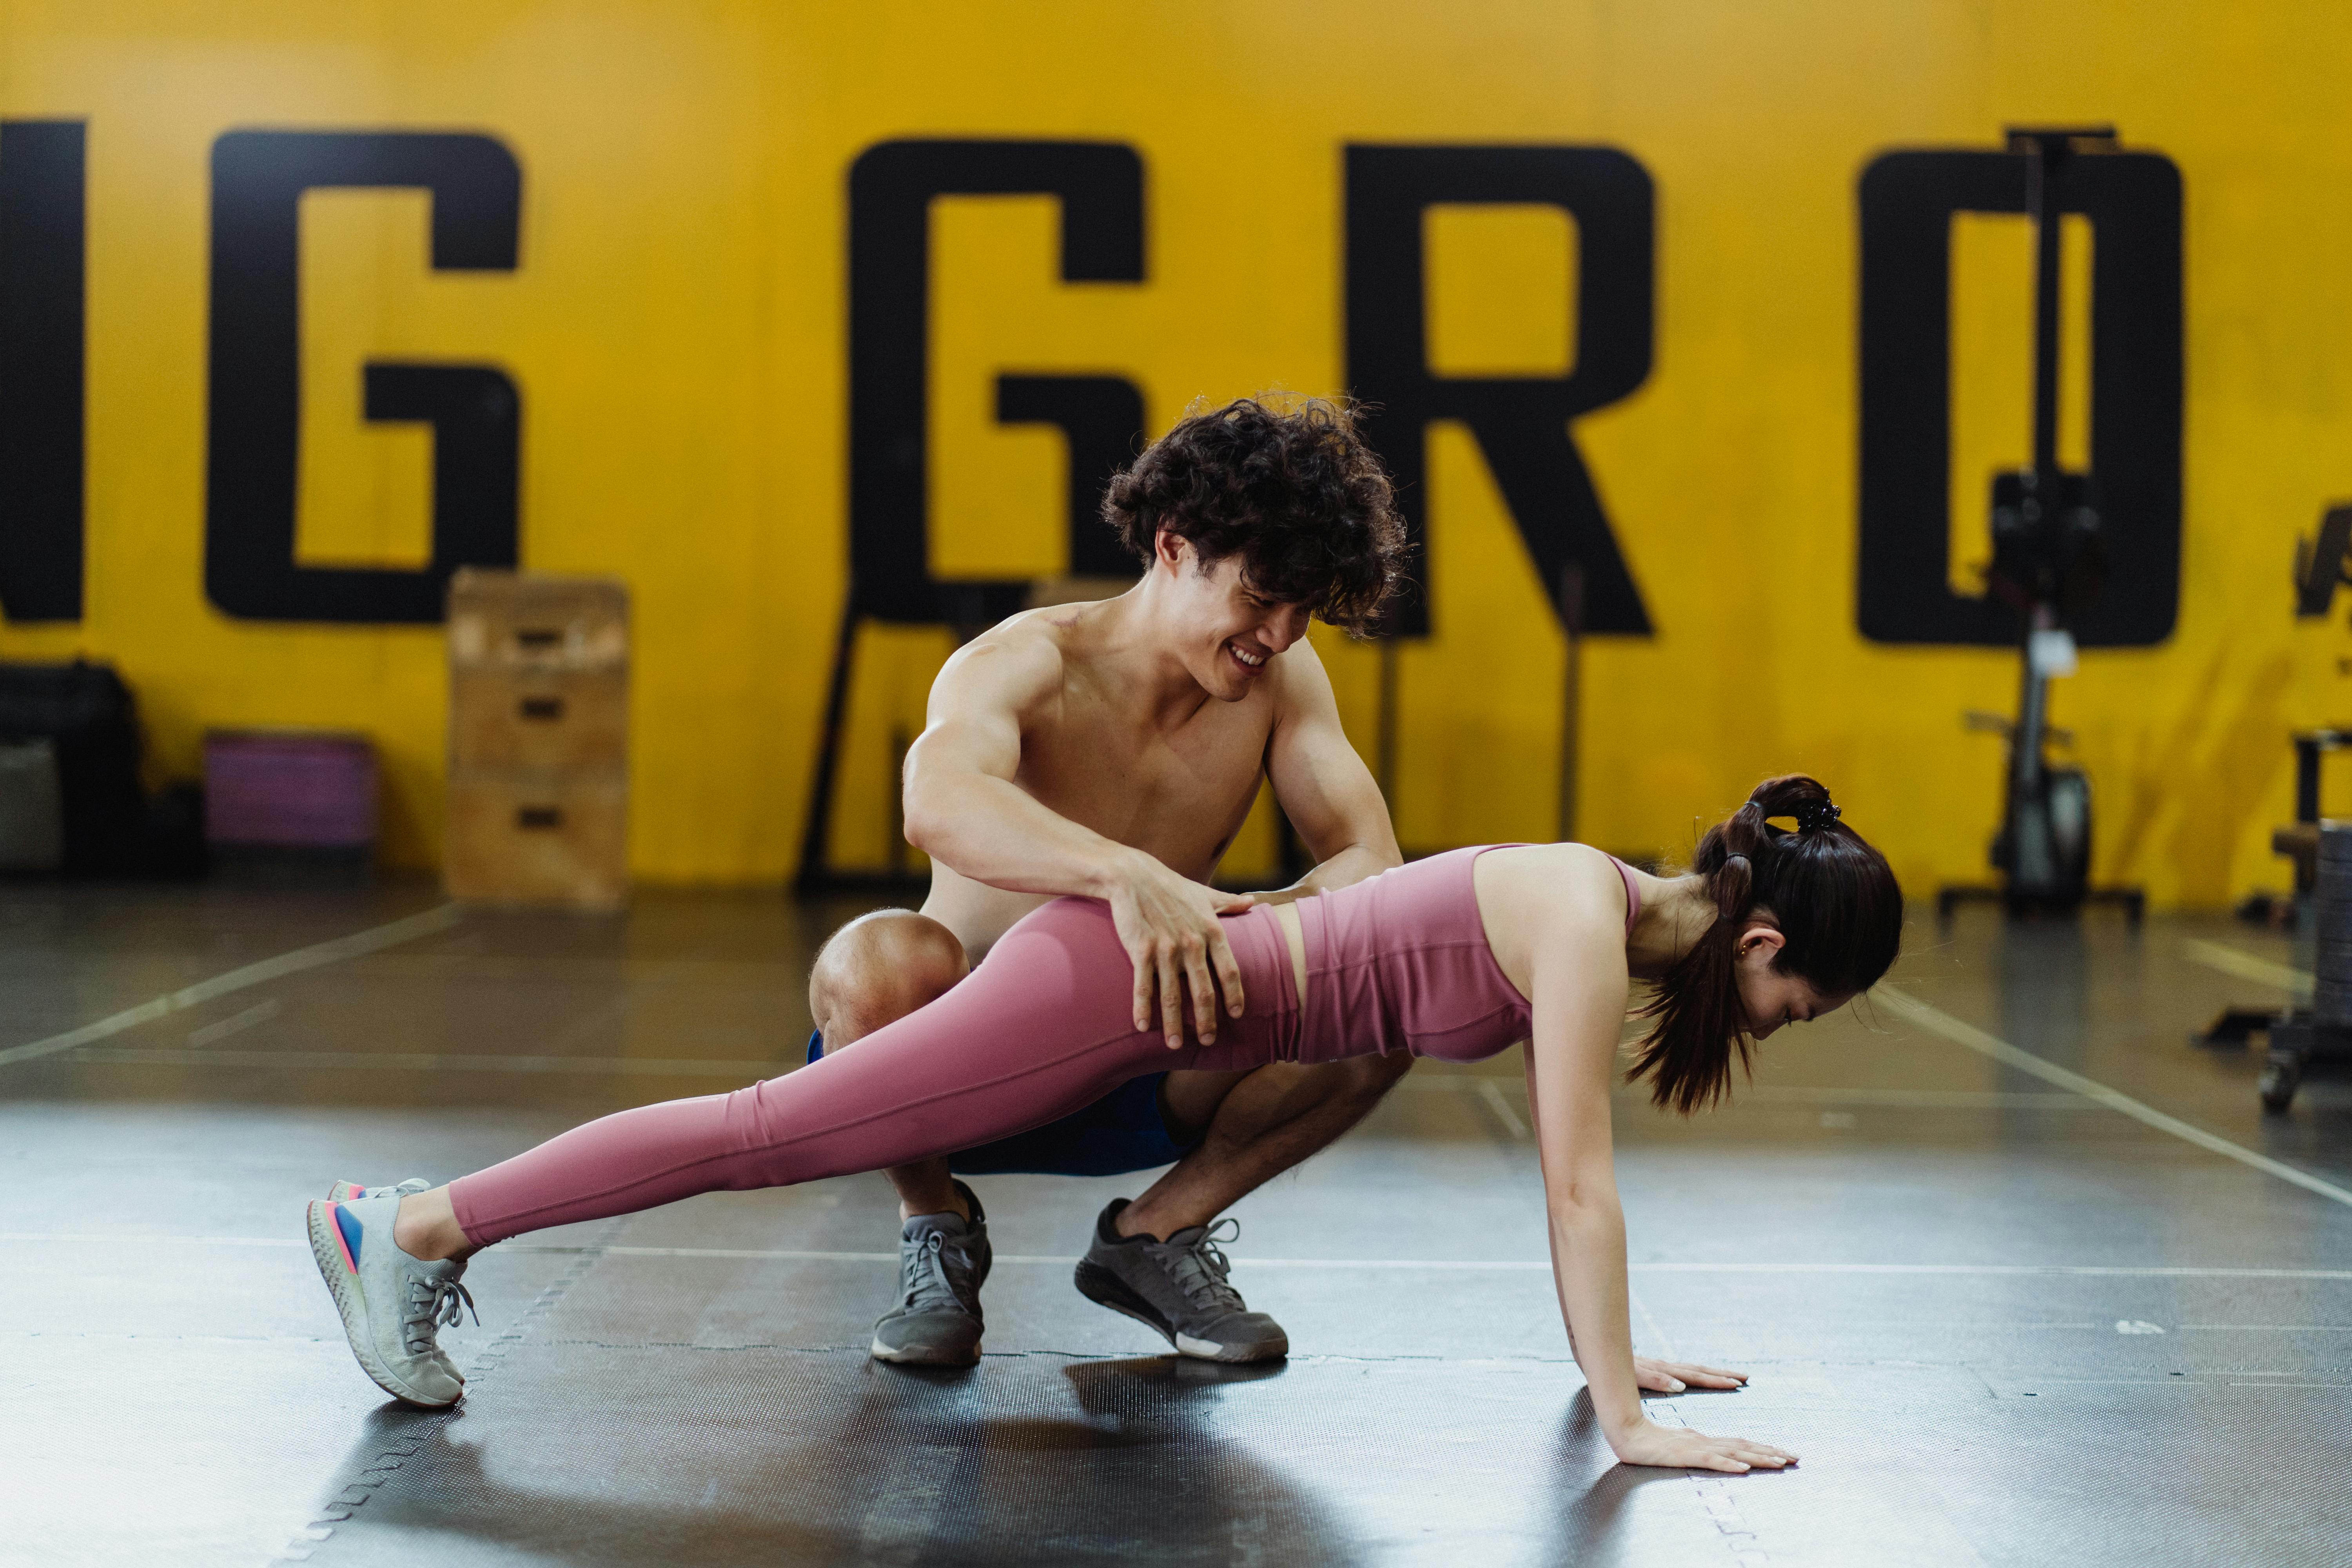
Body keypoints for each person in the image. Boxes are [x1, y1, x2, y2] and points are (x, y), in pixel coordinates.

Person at [309, 773, 1903, 1473]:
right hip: (1108, 995)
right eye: (1798, 1011)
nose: (1776, 1035)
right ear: (1763, 948)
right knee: (768, 1131)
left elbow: (1541, 1163)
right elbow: (1575, 1185)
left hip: (1157, 1009)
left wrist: (1627, 1358)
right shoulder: (1573, 904)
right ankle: (416, 1224)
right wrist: (1624, 1416)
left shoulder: (1589, 904)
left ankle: (1147, 1241)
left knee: (772, 1129)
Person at [806, 394, 1417, 1369]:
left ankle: (1155, 1235)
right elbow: (937, 800)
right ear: (1174, 545)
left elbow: (1369, 861)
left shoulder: (1284, 685)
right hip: (952, 1068)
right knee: (874, 957)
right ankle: (938, 1230)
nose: (1283, 632)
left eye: (1307, 608)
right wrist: (1124, 872)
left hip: (1147, 1048)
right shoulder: (1027, 658)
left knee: (1379, 1004)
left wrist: (1255, 920)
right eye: (1262, 595)